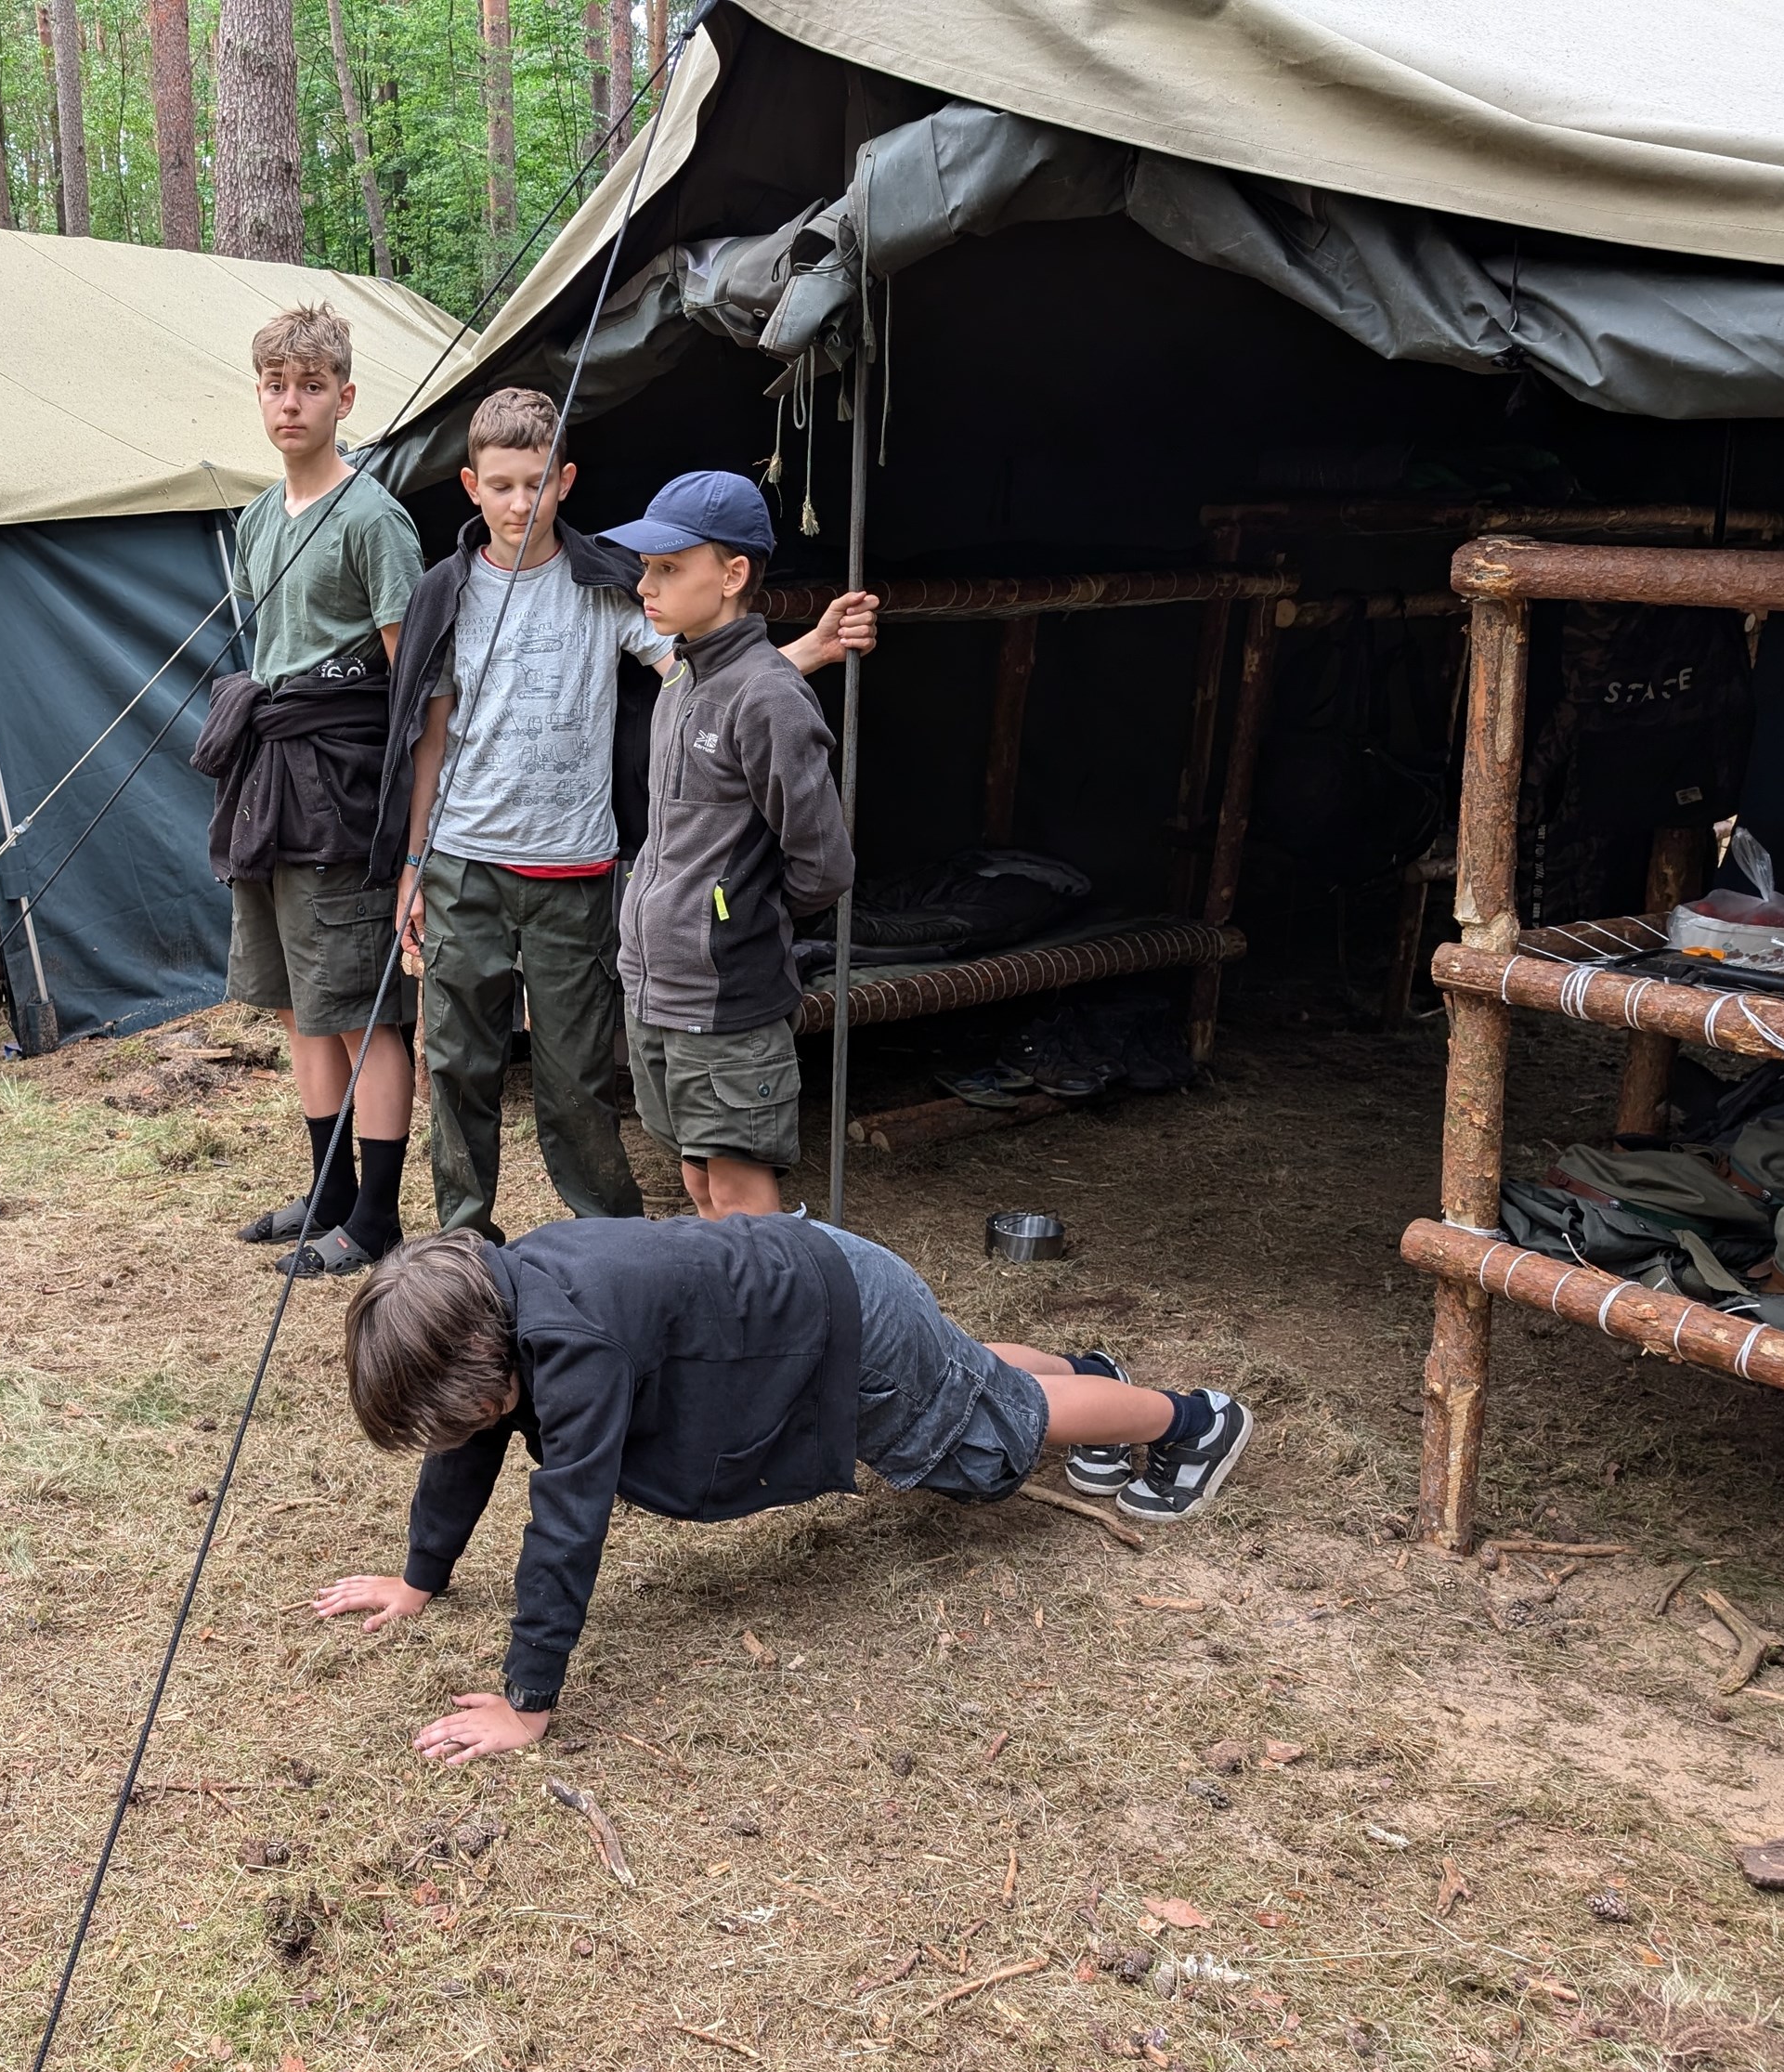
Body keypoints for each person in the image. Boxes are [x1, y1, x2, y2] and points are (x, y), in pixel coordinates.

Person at [311, 1218, 1252, 1763]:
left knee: (984, 1431)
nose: (465, 1434)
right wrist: (420, 1575)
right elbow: (469, 1445)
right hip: (821, 1275)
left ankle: (1190, 1422)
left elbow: (568, 1523)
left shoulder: (573, 1348)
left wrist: (528, 1701)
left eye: (463, 1414)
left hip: (846, 1323)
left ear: (481, 1362)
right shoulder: (501, 1297)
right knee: (963, 1379)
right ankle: (1094, 1378)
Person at [379, 391, 875, 1244]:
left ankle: (610, 1243)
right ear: (469, 486)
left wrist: (810, 652)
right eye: (500, 485)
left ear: (566, 481)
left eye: (537, 482)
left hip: (574, 868)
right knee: (458, 1067)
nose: (519, 503)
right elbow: (429, 738)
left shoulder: (608, 582)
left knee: (577, 1079)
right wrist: (414, 863)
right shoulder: (445, 591)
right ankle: (463, 1245)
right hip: (462, 861)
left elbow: (708, 681)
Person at [192, 304, 427, 1277]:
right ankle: (327, 1194)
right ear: (259, 395)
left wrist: (412, 837)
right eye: (276, 385)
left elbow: (416, 691)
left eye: (311, 386)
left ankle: (376, 1218)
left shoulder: (374, 520)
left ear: (346, 398)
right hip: (272, 780)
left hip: (345, 790)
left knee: (360, 1009)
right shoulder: (256, 519)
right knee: (298, 1002)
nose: (291, 403)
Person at [602, 472, 854, 1219]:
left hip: (728, 1001)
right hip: (654, 989)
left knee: (741, 1194)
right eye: (645, 567)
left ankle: (777, 1301)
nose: (645, 586)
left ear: (733, 574)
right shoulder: (680, 680)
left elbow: (823, 863)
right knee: (697, 1179)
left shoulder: (769, 696)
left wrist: (737, 917)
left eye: (669, 567)